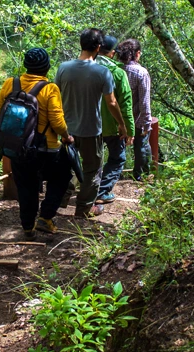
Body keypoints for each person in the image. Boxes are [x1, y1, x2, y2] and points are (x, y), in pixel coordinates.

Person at [0, 48, 74, 238]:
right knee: (61, 178)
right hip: (47, 148)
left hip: (19, 148)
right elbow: (57, 120)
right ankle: (45, 218)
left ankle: (28, 227)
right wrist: (66, 136)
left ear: (26, 66)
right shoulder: (49, 88)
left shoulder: (10, 84)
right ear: (46, 67)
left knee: (25, 186)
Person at [56, 28, 129, 217]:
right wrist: (121, 124)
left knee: (66, 168)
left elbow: (56, 95)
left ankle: (57, 202)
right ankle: (84, 209)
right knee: (92, 171)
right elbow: (111, 102)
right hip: (91, 130)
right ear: (98, 47)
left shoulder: (63, 68)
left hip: (66, 130)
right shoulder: (102, 72)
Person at [96, 35, 136, 203]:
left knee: (92, 159)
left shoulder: (88, 69)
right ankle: (102, 192)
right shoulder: (118, 73)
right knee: (118, 158)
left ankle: (84, 188)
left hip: (90, 125)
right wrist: (129, 129)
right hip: (113, 126)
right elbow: (125, 104)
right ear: (112, 53)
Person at [117, 39, 154, 180]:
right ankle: (140, 176)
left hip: (117, 118)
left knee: (117, 148)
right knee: (141, 147)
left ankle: (115, 177)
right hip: (136, 118)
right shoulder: (141, 72)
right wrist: (147, 122)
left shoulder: (116, 69)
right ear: (137, 54)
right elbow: (144, 101)